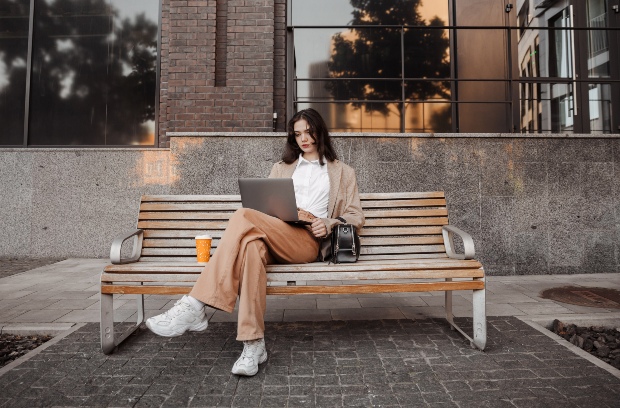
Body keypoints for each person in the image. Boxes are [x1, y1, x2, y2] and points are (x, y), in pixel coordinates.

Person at [145, 108, 365, 376]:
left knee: (242, 215)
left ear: (320, 131)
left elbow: (355, 216)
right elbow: (265, 208)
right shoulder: (281, 168)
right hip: (275, 229)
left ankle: (195, 304)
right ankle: (253, 345)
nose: (304, 139)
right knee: (251, 248)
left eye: (309, 131)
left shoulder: (342, 172)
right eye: (297, 134)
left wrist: (328, 223)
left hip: (307, 239)